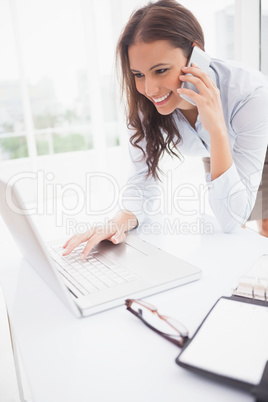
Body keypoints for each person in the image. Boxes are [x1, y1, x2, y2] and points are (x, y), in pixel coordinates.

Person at [63, 0, 268, 259]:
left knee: (261, 229)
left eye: (160, 70)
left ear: (197, 56)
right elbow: (142, 181)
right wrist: (119, 221)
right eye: (138, 74)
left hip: (259, 138)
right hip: (218, 142)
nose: (150, 89)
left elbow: (232, 217)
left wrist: (216, 128)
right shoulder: (145, 104)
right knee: (230, 225)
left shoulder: (249, 95)